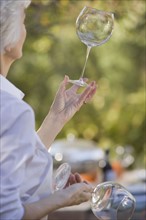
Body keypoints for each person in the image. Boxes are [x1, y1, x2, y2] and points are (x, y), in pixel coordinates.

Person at [0, 1, 97, 220]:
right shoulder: (13, 111)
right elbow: (8, 214)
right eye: (23, 22)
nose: (25, 30)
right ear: (8, 41)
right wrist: (62, 200)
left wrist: (56, 119)